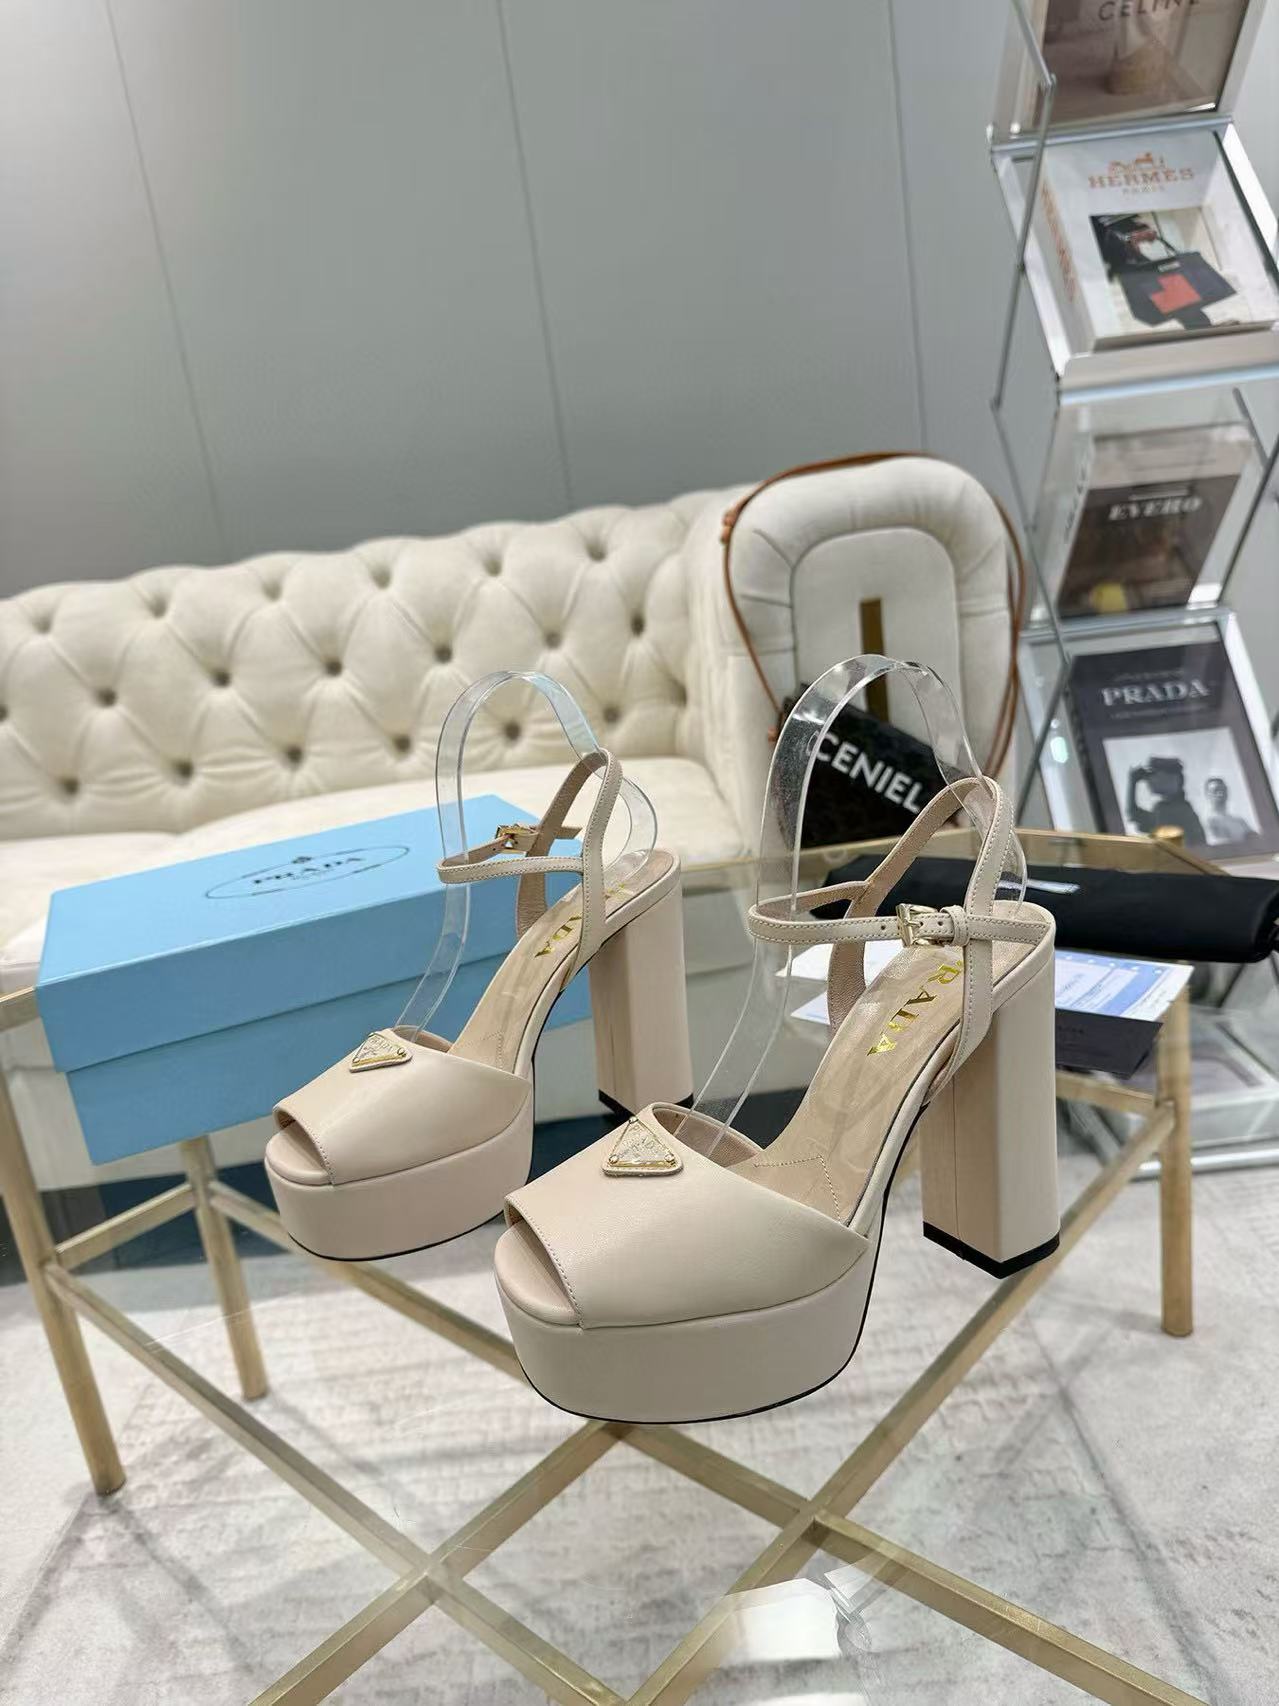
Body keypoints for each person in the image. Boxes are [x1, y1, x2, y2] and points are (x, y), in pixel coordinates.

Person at [1125, 756, 1205, 843]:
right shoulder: (1171, 808)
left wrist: (1133, 782)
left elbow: (1134, 815)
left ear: (1173, 779)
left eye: (1154, 774)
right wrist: (1133, 782)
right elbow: (1134, 814)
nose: (1149, 780)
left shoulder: (1173, 810)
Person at [1203, 775, 1258, 846]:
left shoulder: (1240, 822)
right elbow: (1222, 845)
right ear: (1207, 795)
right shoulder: (1209, 822)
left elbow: (1257, 841)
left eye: (1223, 790)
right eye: (1215, 790)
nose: (1220, 793)